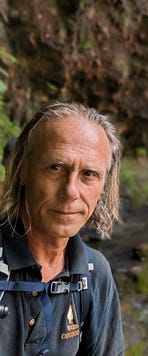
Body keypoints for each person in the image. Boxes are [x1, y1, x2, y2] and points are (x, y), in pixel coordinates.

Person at [0, 102, 124, 355]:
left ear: (104, 184)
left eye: (89, 174)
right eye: (55, 168)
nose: (70, 191)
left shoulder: (93, 273)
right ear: (23, 169)